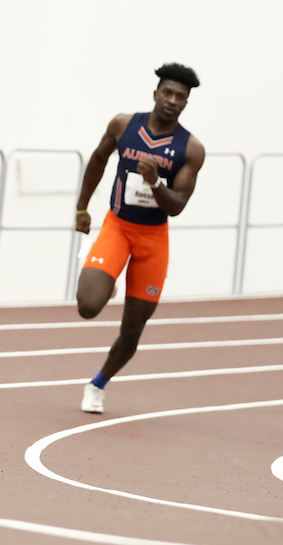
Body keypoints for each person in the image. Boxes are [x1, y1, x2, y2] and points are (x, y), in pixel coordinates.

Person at [74, 63, 205, 414]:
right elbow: (98, 160)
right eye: (168, 92)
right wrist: (81, 208)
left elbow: (177, 206)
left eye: (181, 97)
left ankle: (98, 383)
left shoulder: (190, 149)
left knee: (133, 328)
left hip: (152, 239)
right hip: (117, 226)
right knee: (88, 306)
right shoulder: (124, 124)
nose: (173, 100)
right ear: (156, 93)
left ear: (186, 103)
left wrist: (156, 183)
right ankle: (108, 278)